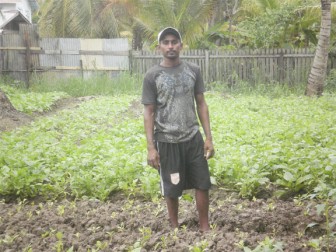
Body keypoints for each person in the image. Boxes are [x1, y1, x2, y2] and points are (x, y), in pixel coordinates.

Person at [141, 27, 215, 231]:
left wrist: (208, 137)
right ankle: (174, 228)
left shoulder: (193, 70)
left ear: (181, 45)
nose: (170, 45)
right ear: (159, 48)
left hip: (193, 137)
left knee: (202, 183)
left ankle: (205, 227)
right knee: (172, 188)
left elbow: (201, 103)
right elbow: (149, 112)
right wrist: (150, 147)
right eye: (166, 42)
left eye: (174, 41)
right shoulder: (152, 76)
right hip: (166, 140)